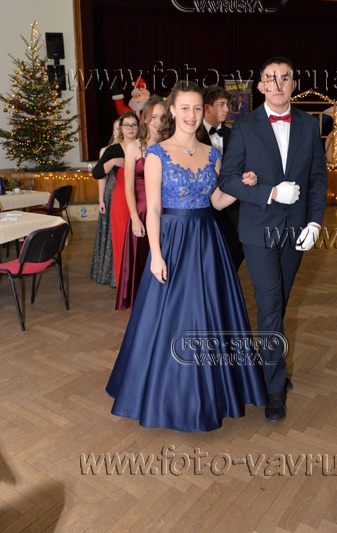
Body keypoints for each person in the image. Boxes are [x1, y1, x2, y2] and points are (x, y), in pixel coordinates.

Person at [106, 80, 268, 432]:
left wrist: (243, 186)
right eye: (185, 108)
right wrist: (156, 255)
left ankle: (213, 394)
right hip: (172, 240)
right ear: (173, 110)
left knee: (211, 315)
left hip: (208, 241)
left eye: (196, 108)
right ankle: (164, 395)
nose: (191, 115)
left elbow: (217, 202)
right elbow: (153, 209)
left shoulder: (213, 154)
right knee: (169, 318)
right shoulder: (156, 153)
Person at [219, 56, 328, 423]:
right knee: (269, 306)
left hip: (296, 230)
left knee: (279, 305)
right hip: (258, 231)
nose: (278, 84)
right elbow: (227, 180)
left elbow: (317, 178)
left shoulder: (309, 125)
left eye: (285, 78)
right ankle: (274, 388)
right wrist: (270, 192)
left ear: (294, 84)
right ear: (261, 86)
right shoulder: (243, 126)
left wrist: (315, 223)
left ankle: (268, 364)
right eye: (271, 78)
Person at [116, 96, 166, 310]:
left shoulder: (170, 146)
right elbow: (128, 186)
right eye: (153, 117)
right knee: (143, 259)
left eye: (162, 117)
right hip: (143, 212)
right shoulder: (134, 147)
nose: (158, 122)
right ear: (144, 118)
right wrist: (135, 218)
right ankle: (144, 305)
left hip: (168, 211)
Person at [199, 85, 244, 270]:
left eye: (227, 104)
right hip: (202, 205)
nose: (227, 109)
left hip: (231, 204)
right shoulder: (193, 135)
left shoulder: (234, 134)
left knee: (236, 249)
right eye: (222, 104)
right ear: (207, 107)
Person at [92, 111, 139, 287]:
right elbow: (97, 173)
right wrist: (112, 162)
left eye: (134, 125)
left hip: (142, 195)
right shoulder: (113, 149)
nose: (130, 128)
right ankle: (124, 281)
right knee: (122, 238)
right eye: (126, 125)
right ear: (121, 128)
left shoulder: (144, 146)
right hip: (120, 197)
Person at [91, 118, 122, 286]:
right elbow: (101, 176)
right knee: (110, 229)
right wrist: (100, 198)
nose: (120, 131)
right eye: (117, 128)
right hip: (112, 188)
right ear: (113, 131)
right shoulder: (106, 150)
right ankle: (110, 271)